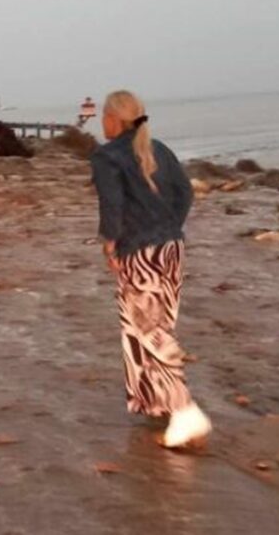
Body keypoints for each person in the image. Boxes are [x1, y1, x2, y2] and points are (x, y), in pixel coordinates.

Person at [90, 89, 212, 448]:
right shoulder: (158, 148)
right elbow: (185, 193)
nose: (101, 122)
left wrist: (110, 244)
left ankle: (185, 409)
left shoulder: (107, 156)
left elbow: (112, 206)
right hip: (171, 247)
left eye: (103, 115)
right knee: (152, 325)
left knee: (149, 330)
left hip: (139, 253)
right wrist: (166, 226)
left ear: (114, 119)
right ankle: (155, 401)